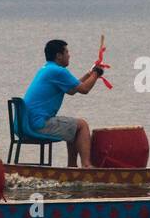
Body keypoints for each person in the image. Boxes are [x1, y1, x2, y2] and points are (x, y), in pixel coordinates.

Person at [23, 39, 106, 167]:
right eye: (66, 52)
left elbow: (72, 89)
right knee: (82, 125)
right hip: (39, 124)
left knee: (72, 127)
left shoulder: (47, 68)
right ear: (59, 55)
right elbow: (84, 89)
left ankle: (72, 168)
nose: (69, 55)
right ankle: (86, 165)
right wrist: (96, 73)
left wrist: (89, 74)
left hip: (28, 123)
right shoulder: (58, 71)